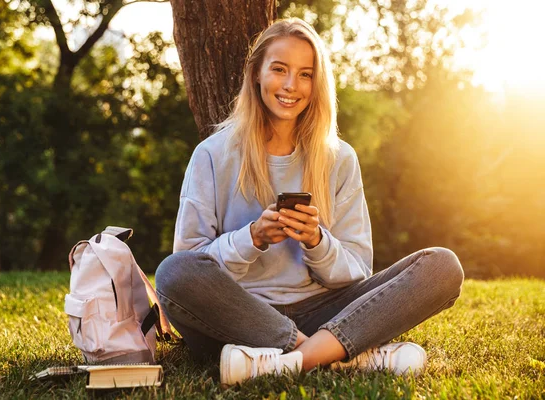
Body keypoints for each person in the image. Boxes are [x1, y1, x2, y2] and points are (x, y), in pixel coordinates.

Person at [155, 17, 464, 385]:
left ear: (317, 83)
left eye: (305, 74)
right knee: (173, 272)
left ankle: (289, 360)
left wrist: (317, 242)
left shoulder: (339, 158)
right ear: (256, 74)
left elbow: (356, 271)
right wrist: (251, 238)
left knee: (442, 267)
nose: (291, 85)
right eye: (280, 70)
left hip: (324, 310)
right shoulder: (212, 154)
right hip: (239, 315)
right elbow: (190, 261)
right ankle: (336, 355)